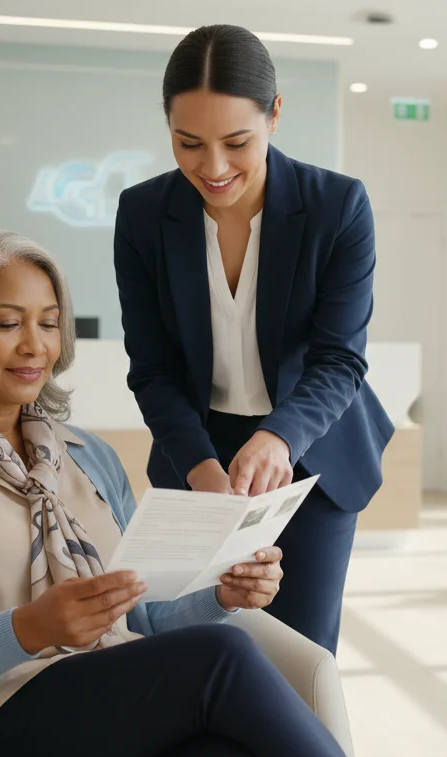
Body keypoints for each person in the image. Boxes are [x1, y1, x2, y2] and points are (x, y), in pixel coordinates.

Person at [0, 230, 350, 757]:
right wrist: (29, 628)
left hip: (108, 704)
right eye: (8, 324)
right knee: (224, 655)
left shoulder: (87, 454)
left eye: (51, 323)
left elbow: (142, 619)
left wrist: (221, 596)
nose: (35, 345)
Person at [113, 25, 394, 655]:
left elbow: (339, 358)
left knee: (300, 651)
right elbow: (152, 368)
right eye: (189, 143)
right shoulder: (141, 214)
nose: (212, 168)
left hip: (309, 455)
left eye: (237, 142)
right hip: (197, 452)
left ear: (275, 115)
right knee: (192, 648)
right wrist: (199, 465)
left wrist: (279, 436)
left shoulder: (338, 207)